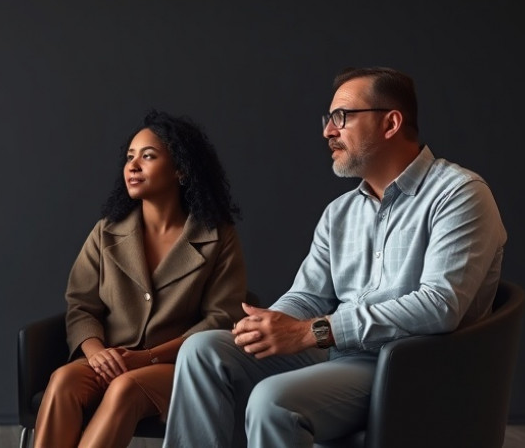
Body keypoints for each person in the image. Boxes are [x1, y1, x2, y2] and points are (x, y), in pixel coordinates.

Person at [163, 67, 507, 448]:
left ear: (391, 122)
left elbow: (439, 305)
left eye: (342, 117)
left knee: (272, 401)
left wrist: (312, 332)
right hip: (338, 355)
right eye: (328, 119)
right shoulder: (340, 212)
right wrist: (268, 326)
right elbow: (308, 296)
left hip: (409, 366)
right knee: (202, 349)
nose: (328, 131)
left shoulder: (459, 194)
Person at [33, 110, 248, 448]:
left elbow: (222, 319)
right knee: (62, 380)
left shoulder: (217, 236)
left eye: (148, 156)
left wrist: (146, 358)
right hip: (110, 357)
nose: (133, 166)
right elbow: (81, 306)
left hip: (177, 365)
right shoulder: (107, 231)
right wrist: (95, 352)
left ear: (180, 169)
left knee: (126, 388)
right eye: (130, 157)